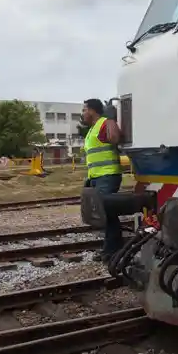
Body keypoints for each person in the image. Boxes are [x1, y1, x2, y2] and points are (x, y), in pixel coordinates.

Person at [81, 98, 125, 259]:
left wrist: (111, 118)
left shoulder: (105, 123)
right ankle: (113, 248)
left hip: (108, 175)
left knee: (106, 211)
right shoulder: (92, 129)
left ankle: (113, 250)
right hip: (96, 177)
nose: (83, 113)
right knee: (106, 213)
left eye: (85, 110)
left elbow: (114, 138)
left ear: (93, 111)